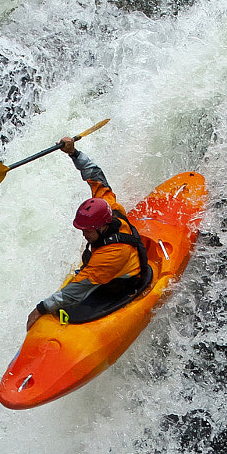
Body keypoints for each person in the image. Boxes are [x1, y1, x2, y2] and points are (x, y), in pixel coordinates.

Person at [26, 138, 152, 331]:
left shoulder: (112, 254)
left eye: (87, 230)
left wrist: (40, 309)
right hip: (107, 270)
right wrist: (73, 152)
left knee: (74, 303)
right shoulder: (109, 206)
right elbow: (95, 174)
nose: (84, 233)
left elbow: (77, 288)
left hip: (122, 284)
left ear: (102, 226)